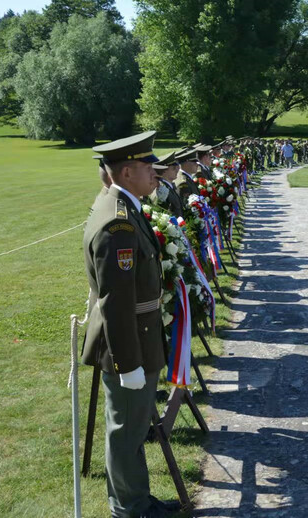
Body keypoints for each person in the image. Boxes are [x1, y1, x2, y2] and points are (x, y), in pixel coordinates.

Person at [82, 131, 181, 518]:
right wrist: (128, 364)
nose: (155, 174)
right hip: (129, 344)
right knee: (126, 431)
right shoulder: (117, 225)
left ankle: (134, 497)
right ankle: (129, 507)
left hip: (138, 338)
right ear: (126, 172)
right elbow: (116, 303)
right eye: (146, 168)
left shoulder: (124, 207)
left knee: (134, 426)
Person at [151, 150, 184, 216]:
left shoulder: (169, 186)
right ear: (164, 170)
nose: (177, 170)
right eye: (173, 168)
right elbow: (161, 212)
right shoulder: (162, 189)